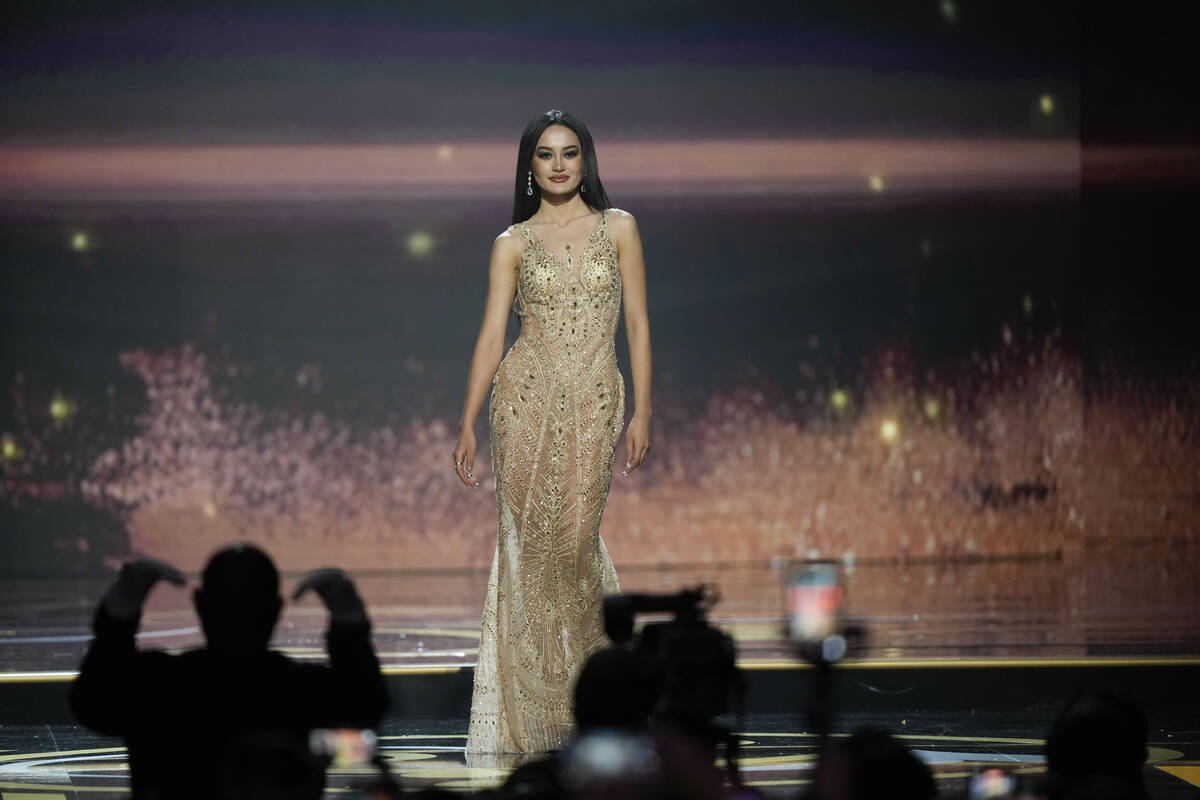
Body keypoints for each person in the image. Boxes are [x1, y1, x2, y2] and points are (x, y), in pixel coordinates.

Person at [455, 108, 653, 755]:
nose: (560, 164)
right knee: (527, 552)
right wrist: (466, 421)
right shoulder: (510, 242)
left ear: (585, 161)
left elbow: (639, 324)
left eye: (570, 152)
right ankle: (536, 720)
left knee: (572, 545)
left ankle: (586, 699)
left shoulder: (620, 229)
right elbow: (491, 334)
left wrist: (644, 409)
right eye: (546, 154)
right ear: (531, 166)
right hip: (524, 402)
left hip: (597, 398)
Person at [69, 544, 387, 799]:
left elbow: (93, 704)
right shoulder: (303, 691)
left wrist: (120, 611)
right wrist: (348, 620)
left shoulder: (159, 687)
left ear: (200, 605)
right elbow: (365, 705)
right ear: (275, 610)